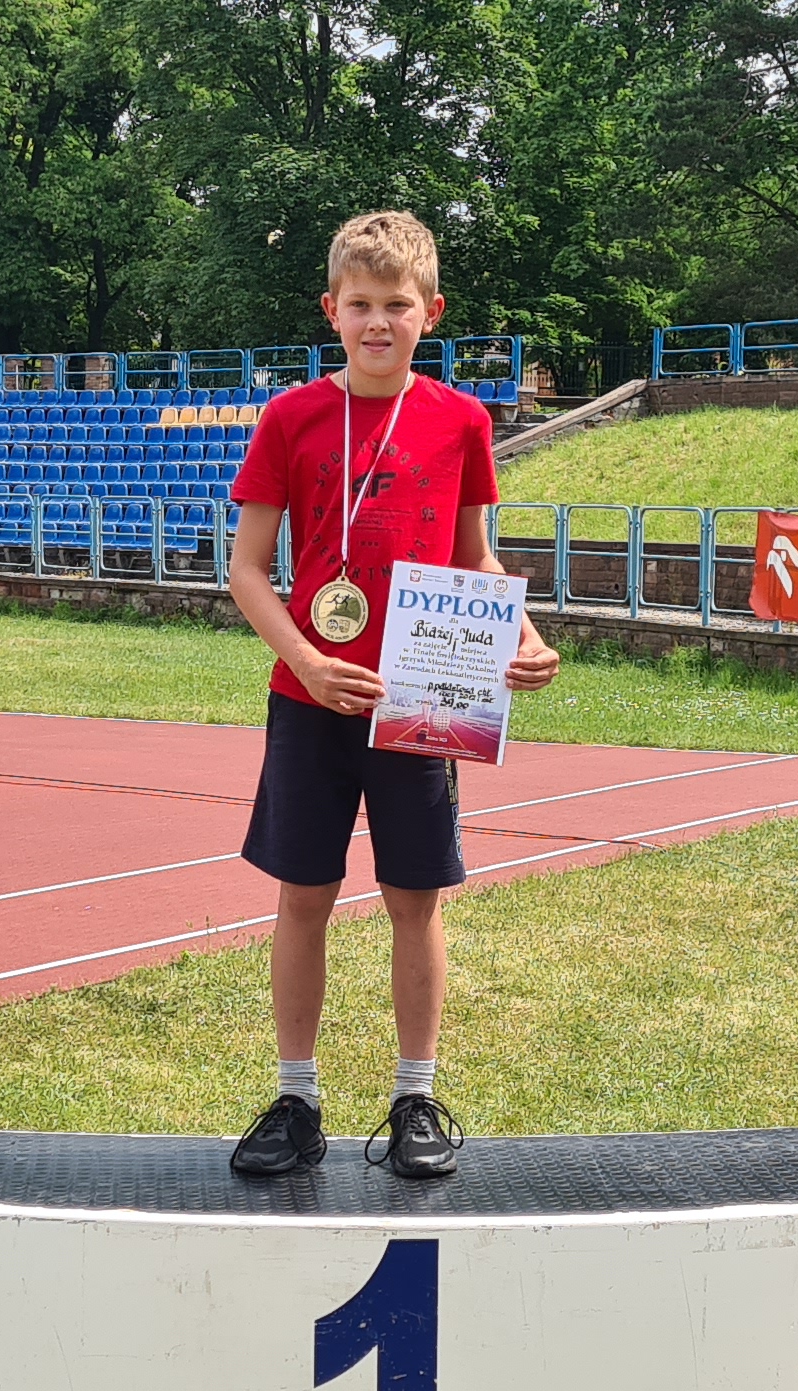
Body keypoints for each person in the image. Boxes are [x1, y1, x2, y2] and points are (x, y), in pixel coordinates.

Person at [221, 209, 561, 1180]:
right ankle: (298, 1098)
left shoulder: (462, 419)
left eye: (397, 305)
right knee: (306, 894)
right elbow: (248, 569)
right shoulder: (291, 417)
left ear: (431, 312)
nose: (378, 321)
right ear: (331, 310)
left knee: (417, 896)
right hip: (310, 693)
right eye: (360, 304)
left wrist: (522, 636)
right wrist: (308, 658)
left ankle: (416, 1097)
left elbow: (477, 556)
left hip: (423, 695)